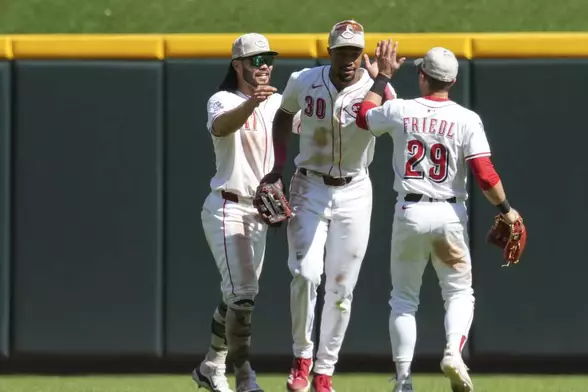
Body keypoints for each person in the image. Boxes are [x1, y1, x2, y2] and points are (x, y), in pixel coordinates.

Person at [355, 40, 523, 392]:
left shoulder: (400, 110)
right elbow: (484, 173)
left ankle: (403, 381)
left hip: (410, 212)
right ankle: (453, 353)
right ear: (452, 81)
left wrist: (380, 79)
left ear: (422, 76)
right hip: (449, 213)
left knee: (403, 299)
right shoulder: (466, 118)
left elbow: (364, 117)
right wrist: (506, 210)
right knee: (459, 293)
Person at [258, 20, 395, 392]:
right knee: (304, 273)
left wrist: (381, 81)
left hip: (355, 190)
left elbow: (389, 123)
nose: (348, 59)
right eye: (342, 51)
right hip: (309, 185)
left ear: (362, 53)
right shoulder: (304, 80)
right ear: (329, 52)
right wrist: (277, 167)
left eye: (354, 51)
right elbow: (284, 114)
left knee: (341, 287)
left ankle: (324, 372)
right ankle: (302, 356)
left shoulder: (376, 88)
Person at [192, 32, 284, 392]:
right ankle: (245, 375)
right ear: (238, 65)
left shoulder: (276, 103)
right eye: (257, 60)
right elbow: (221, 126)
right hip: (226, 206)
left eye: (268, 59)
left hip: (259, 210)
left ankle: (211, 366)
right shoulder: (223, 99)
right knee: (242, 293)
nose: (265, 66)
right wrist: (252, 104)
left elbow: (303, 128)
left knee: (237, 296)